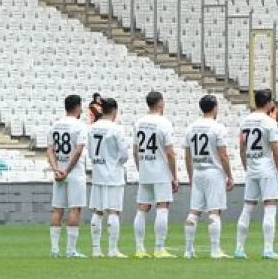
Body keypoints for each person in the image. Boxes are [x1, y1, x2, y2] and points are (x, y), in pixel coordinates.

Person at [234, 89, 278, 259]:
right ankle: (268, 249)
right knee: (270, 207)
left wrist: (246, 167)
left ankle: (239, 248)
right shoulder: (269, 122)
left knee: (248, 207)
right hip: (266, 168)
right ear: (269, 103)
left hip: (252, 168)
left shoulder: (245, 121)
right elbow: (276, 152)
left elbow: (241, 147)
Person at [183, 94, 235, 259]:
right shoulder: (218, 128)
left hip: (198, 171)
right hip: (213, 172)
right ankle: (215, 250)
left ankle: (188, 250)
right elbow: (223, 155)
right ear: (215, 107)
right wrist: (230, 175)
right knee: (214, 212)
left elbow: (187, 155)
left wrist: (191, 176)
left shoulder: (191, 128)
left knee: (194, 211)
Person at [132, 90, 179, 259]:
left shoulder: (139, 123)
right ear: (160, 103)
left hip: (145, 170)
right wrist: (174, 176)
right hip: (160, 171)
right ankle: (159, 248)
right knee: (162, 206)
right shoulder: (164, 123)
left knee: (142, 208)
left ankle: (139, 248)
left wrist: (140, 168)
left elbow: (135, 150)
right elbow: (170, 153)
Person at [87, 97, 130, 257]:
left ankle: (96, 249)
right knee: (113, 211)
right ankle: (112, 249)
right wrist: (116, 163)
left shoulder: (92, 128)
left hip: (98, 173)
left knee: (98, 211)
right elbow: (124, 154)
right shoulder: (116, 129)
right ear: (115, 111)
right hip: (113, 175)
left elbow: (90, 153)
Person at [47, 94, 88, 258]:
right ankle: (71, 250)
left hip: (59, 172)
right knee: (75, 209)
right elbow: (78, 151)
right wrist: (68, 170)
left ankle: (55, 249)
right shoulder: (80, 126)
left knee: (57, 209)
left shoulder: (55, 125)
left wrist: (56, 169)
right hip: (74, 172)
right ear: (78, 107)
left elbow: (50, 149)